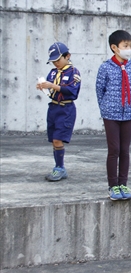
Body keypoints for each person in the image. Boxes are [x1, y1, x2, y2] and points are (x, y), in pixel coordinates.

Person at [95, 30, 131, 201]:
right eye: (125, 46)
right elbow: (100, 90)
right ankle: (112, 185)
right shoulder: (106, 67)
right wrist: (106, 108)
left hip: (128, 114)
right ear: (114, 47)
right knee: (114, 150)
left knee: (125, 150)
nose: (128, 49)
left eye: (130, 46)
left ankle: (123, 183)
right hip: (111, 114)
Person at [36, 42, 81, 182]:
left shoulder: (73, 72)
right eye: (53, 61)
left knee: (58, 138)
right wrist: (43, 86)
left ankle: (60, 168)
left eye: (58, 59)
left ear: (67, 56)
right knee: (53, 140)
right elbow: (50, 88)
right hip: (53, 107)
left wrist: (52, 86)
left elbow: (72, 91)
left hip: (65, 108)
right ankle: (59, 166)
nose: (55, 63)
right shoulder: (53, 72)